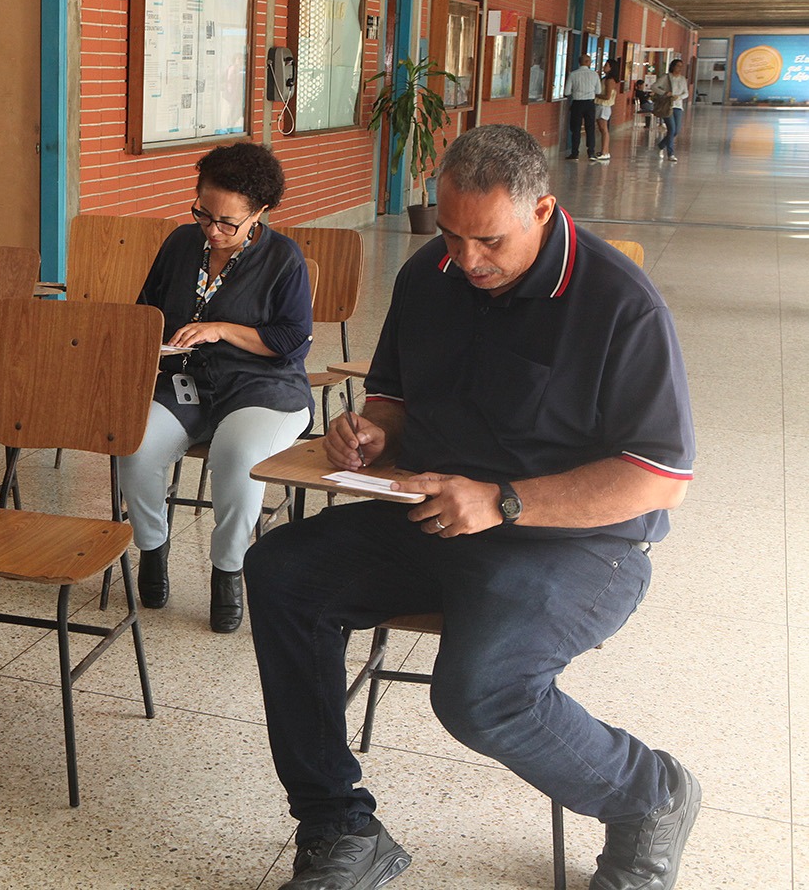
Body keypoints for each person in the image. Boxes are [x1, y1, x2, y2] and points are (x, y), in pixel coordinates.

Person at [244, 124, 699, 890]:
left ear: (542, 210)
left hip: (574, 543)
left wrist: (503, 501)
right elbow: (393, 397)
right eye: (451, 235)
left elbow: (658, 477)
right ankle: (339, 827)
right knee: (281, 572)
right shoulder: (432, 275)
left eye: (488, 240)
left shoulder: (620, 304)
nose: (467, 259)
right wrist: (370, 433)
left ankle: (650, 795)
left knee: (478, 694)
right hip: (438, 515)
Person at [117, 142, 312, 634]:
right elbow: (147, 309)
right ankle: (152, 548)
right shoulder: (181, 244)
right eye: (204, 214)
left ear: (259, 213)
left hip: (261, 387)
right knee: (133, 446)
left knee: (237, 455)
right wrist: (152, 344)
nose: (213, 229)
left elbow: (292, 340)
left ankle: (227, 571)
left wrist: (221, 329)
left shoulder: (283, 258)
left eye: (228, 222)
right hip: (186, 382)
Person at [563, 53, 602, 160]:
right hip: (590, 104)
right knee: (590, 128)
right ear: (587, 62)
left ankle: (575, 153)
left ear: (579, 62)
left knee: (576, 128)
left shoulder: (573, 74)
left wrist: (576, 91)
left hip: (577, 103)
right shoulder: (594, 75)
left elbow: (567, 92)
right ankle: (591, 152)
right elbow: (598, 91)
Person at [652, 59, 690, 162]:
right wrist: (665, 93)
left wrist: (680, 97)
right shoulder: (666, 78)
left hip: (678, 106)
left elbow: (686, 93)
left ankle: (661, 145)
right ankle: (670, 154)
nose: (680, 68)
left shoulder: (683, 79)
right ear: (673, 66)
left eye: (681, 66)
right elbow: (654, 87)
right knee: (671, 129)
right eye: (678, 66)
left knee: (676, 130)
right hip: (667, 106)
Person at [594, 58, 621, 161]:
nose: (604, 67)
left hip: (603, 106)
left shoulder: (609, 80)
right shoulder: (606, 79)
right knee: (602, 129)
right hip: (601, 105)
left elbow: (607, 96)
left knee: (604, 129)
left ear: (611, 68)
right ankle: (604, 151)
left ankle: (605, 151)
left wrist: (595, 95)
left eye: (606, 65)